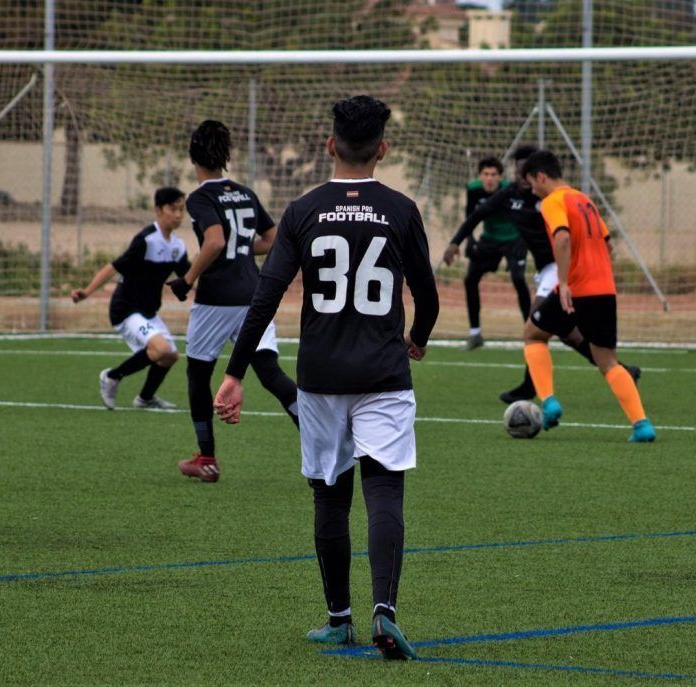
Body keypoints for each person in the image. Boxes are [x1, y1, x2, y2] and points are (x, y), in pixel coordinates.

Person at [213, 95, 439, 659]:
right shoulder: (402, 209)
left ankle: (339, 619)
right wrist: (418, 339)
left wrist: (236, 373)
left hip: (319, 377)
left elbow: (267, 295)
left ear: (329, 145)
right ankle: (385, 612)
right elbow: (427, 296)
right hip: (385, 374)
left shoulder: (303, 210)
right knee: (385, 489)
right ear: (382, 149)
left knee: (330, 498)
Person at [443, 146, 640, 403]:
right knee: (567, 333)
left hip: (564, 270)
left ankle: (531, 387)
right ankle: (621, 371)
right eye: (518, 170)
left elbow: (569, 237)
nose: (521, 176)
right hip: (550, 270)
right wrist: (455, 242)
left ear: (538, 175)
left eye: (527, 171)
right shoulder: (509, 195)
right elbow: (477, 215)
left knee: (534, 327)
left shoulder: (552, 198)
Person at [168, 120, 299, 483]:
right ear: (225, 155)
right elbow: (273, 239)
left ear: (193, 156)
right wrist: (243, 249)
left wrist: (187, 279)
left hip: (217, 298)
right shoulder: (244, 193)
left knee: (198, 372)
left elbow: (213, 241)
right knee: (270, 373)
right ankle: (320, 440)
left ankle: (207, 458)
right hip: (254, 295)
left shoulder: (200, 197)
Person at [521, 150, 655, 442]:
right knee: (608, 361)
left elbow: (563, 237)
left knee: (533, 334)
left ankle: (549, 401)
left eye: (532, 183)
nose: (533, 190)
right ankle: (642, 425)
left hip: (577, 288)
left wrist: (566, 283)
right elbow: (608, 248)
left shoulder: (553, 201)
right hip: (604, 289)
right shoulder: (585, 200)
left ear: (541, 176)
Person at [72, 187, 188, 411]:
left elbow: (189, 276)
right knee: (161, 350)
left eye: (181, 210)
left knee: (170, 356)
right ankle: (112, 377)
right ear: (158, 210)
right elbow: (114, 266)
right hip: (125, 309)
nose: (178, 215)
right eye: (172, 209)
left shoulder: (177, 246)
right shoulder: (146, 240)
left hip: (148, 311)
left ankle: (145, 399)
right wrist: (87, 292)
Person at [452, 156, 530, 350]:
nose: (490, 178)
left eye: (494, 174)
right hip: (490, 239)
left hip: (513, 239)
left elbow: (525, 215)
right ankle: (475, 334)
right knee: (470, 279)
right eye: (486, 174)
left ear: (500, 177)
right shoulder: (473, 189)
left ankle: (532, 333)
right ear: (480, 176)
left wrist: (523, 239)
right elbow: (470, 217)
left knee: (519, 279)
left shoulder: (510, 189)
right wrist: (470, 241)